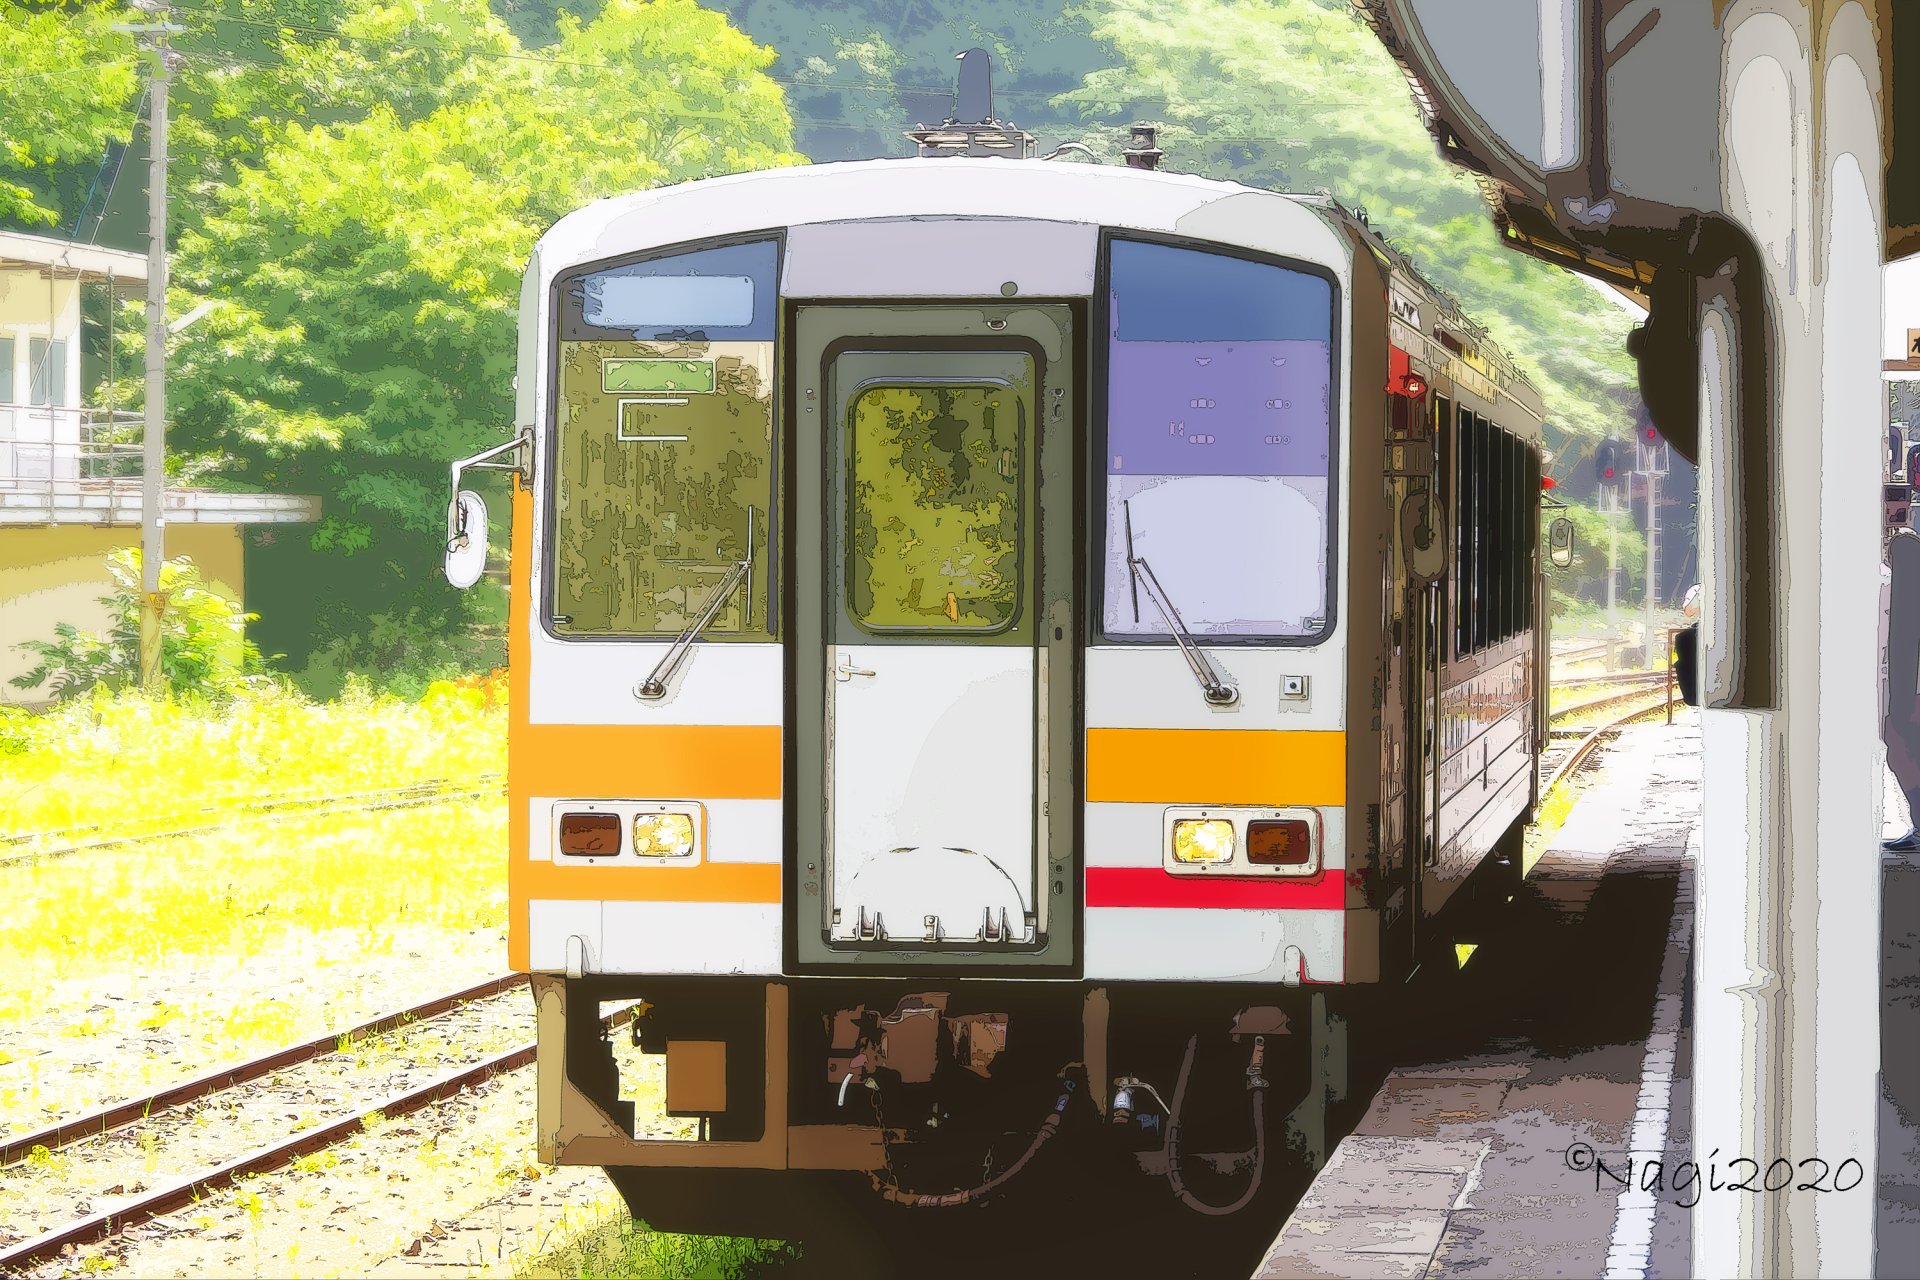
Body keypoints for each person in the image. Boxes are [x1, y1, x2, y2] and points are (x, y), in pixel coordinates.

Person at [1883, 523, 1920, 852]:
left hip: (1911, 692)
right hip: (1905, 689)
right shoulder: (1893, 589)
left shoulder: (1901, 589)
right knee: (1900, 748)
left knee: (1900, 746)